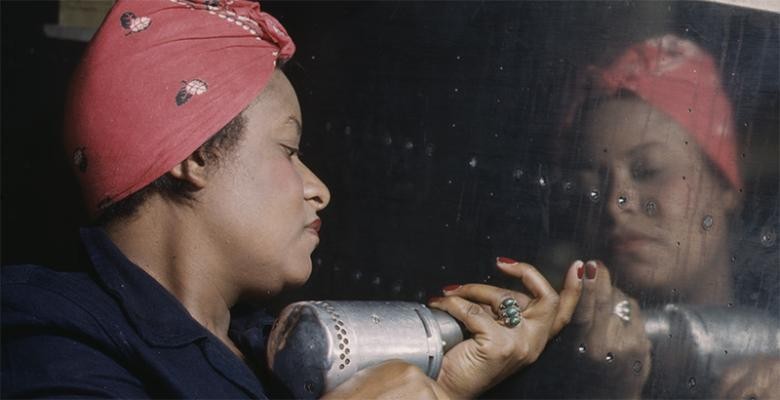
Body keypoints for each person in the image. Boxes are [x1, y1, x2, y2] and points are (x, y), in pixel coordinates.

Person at [1, 1, 584, 398]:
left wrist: (450, 385)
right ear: (194, 155)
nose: (319, 188)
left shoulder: (261, 347)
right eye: (287, 149)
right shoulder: (48, 346)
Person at [551, 34, 779, 398]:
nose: (614, 202)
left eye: (648, 170)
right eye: (589, 186)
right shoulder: (548, 361)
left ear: (723, 183)